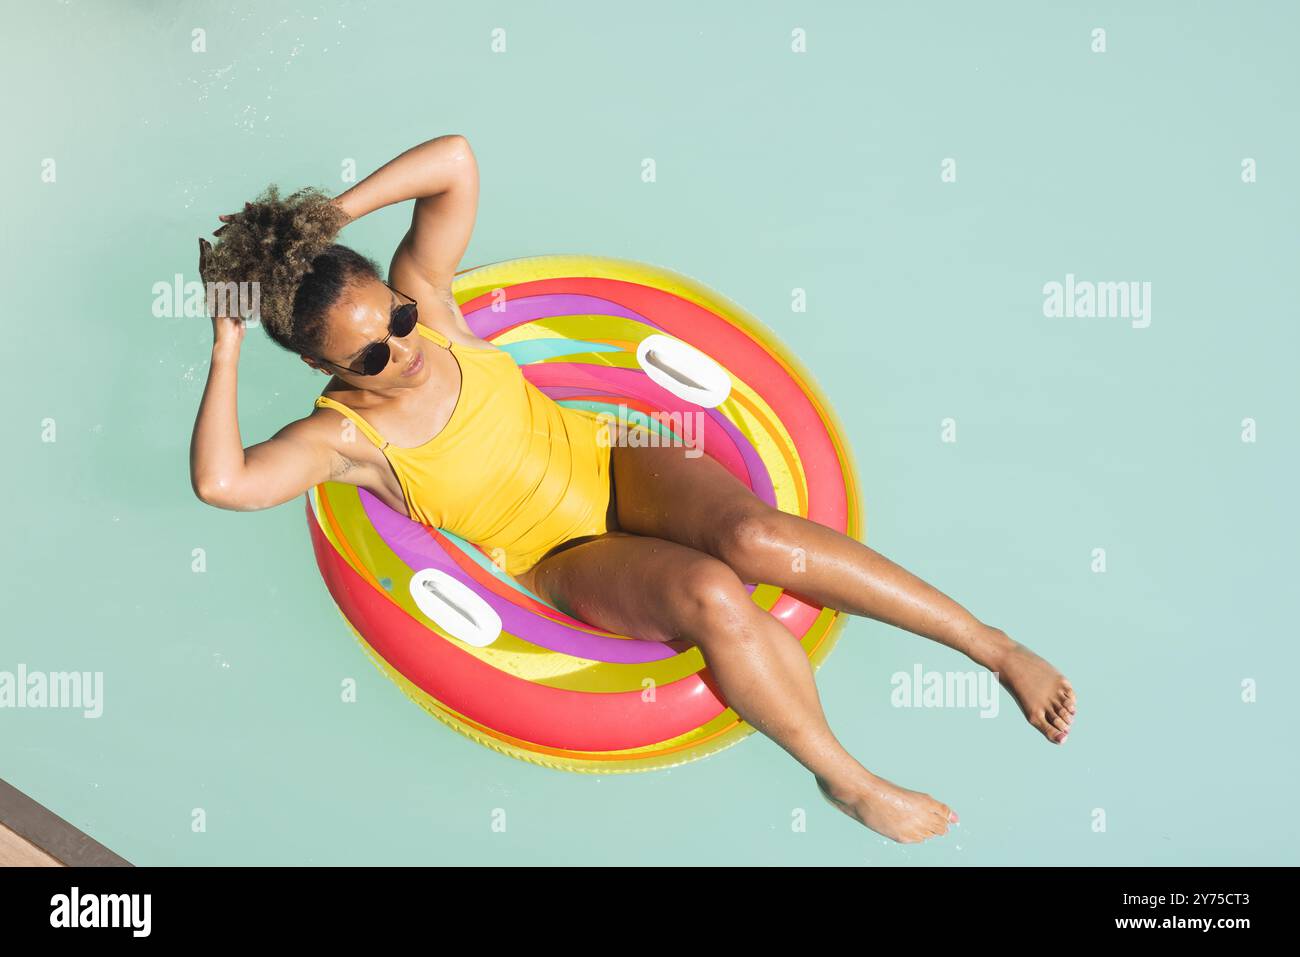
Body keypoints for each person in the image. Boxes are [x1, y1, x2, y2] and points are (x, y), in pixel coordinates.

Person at [190, 134, 1075, 844]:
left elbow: (455, 159)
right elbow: (223, 482)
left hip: (612, 452)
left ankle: (992, 646)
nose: (406, 349)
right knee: (707, 590)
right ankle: (849, 781)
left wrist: (315, 228)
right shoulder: (344, 437)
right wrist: (229, 340)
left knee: (758, 540)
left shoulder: (429, 300)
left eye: (399, 319)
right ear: (319, 364)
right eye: (373, 354)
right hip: (561, 554)